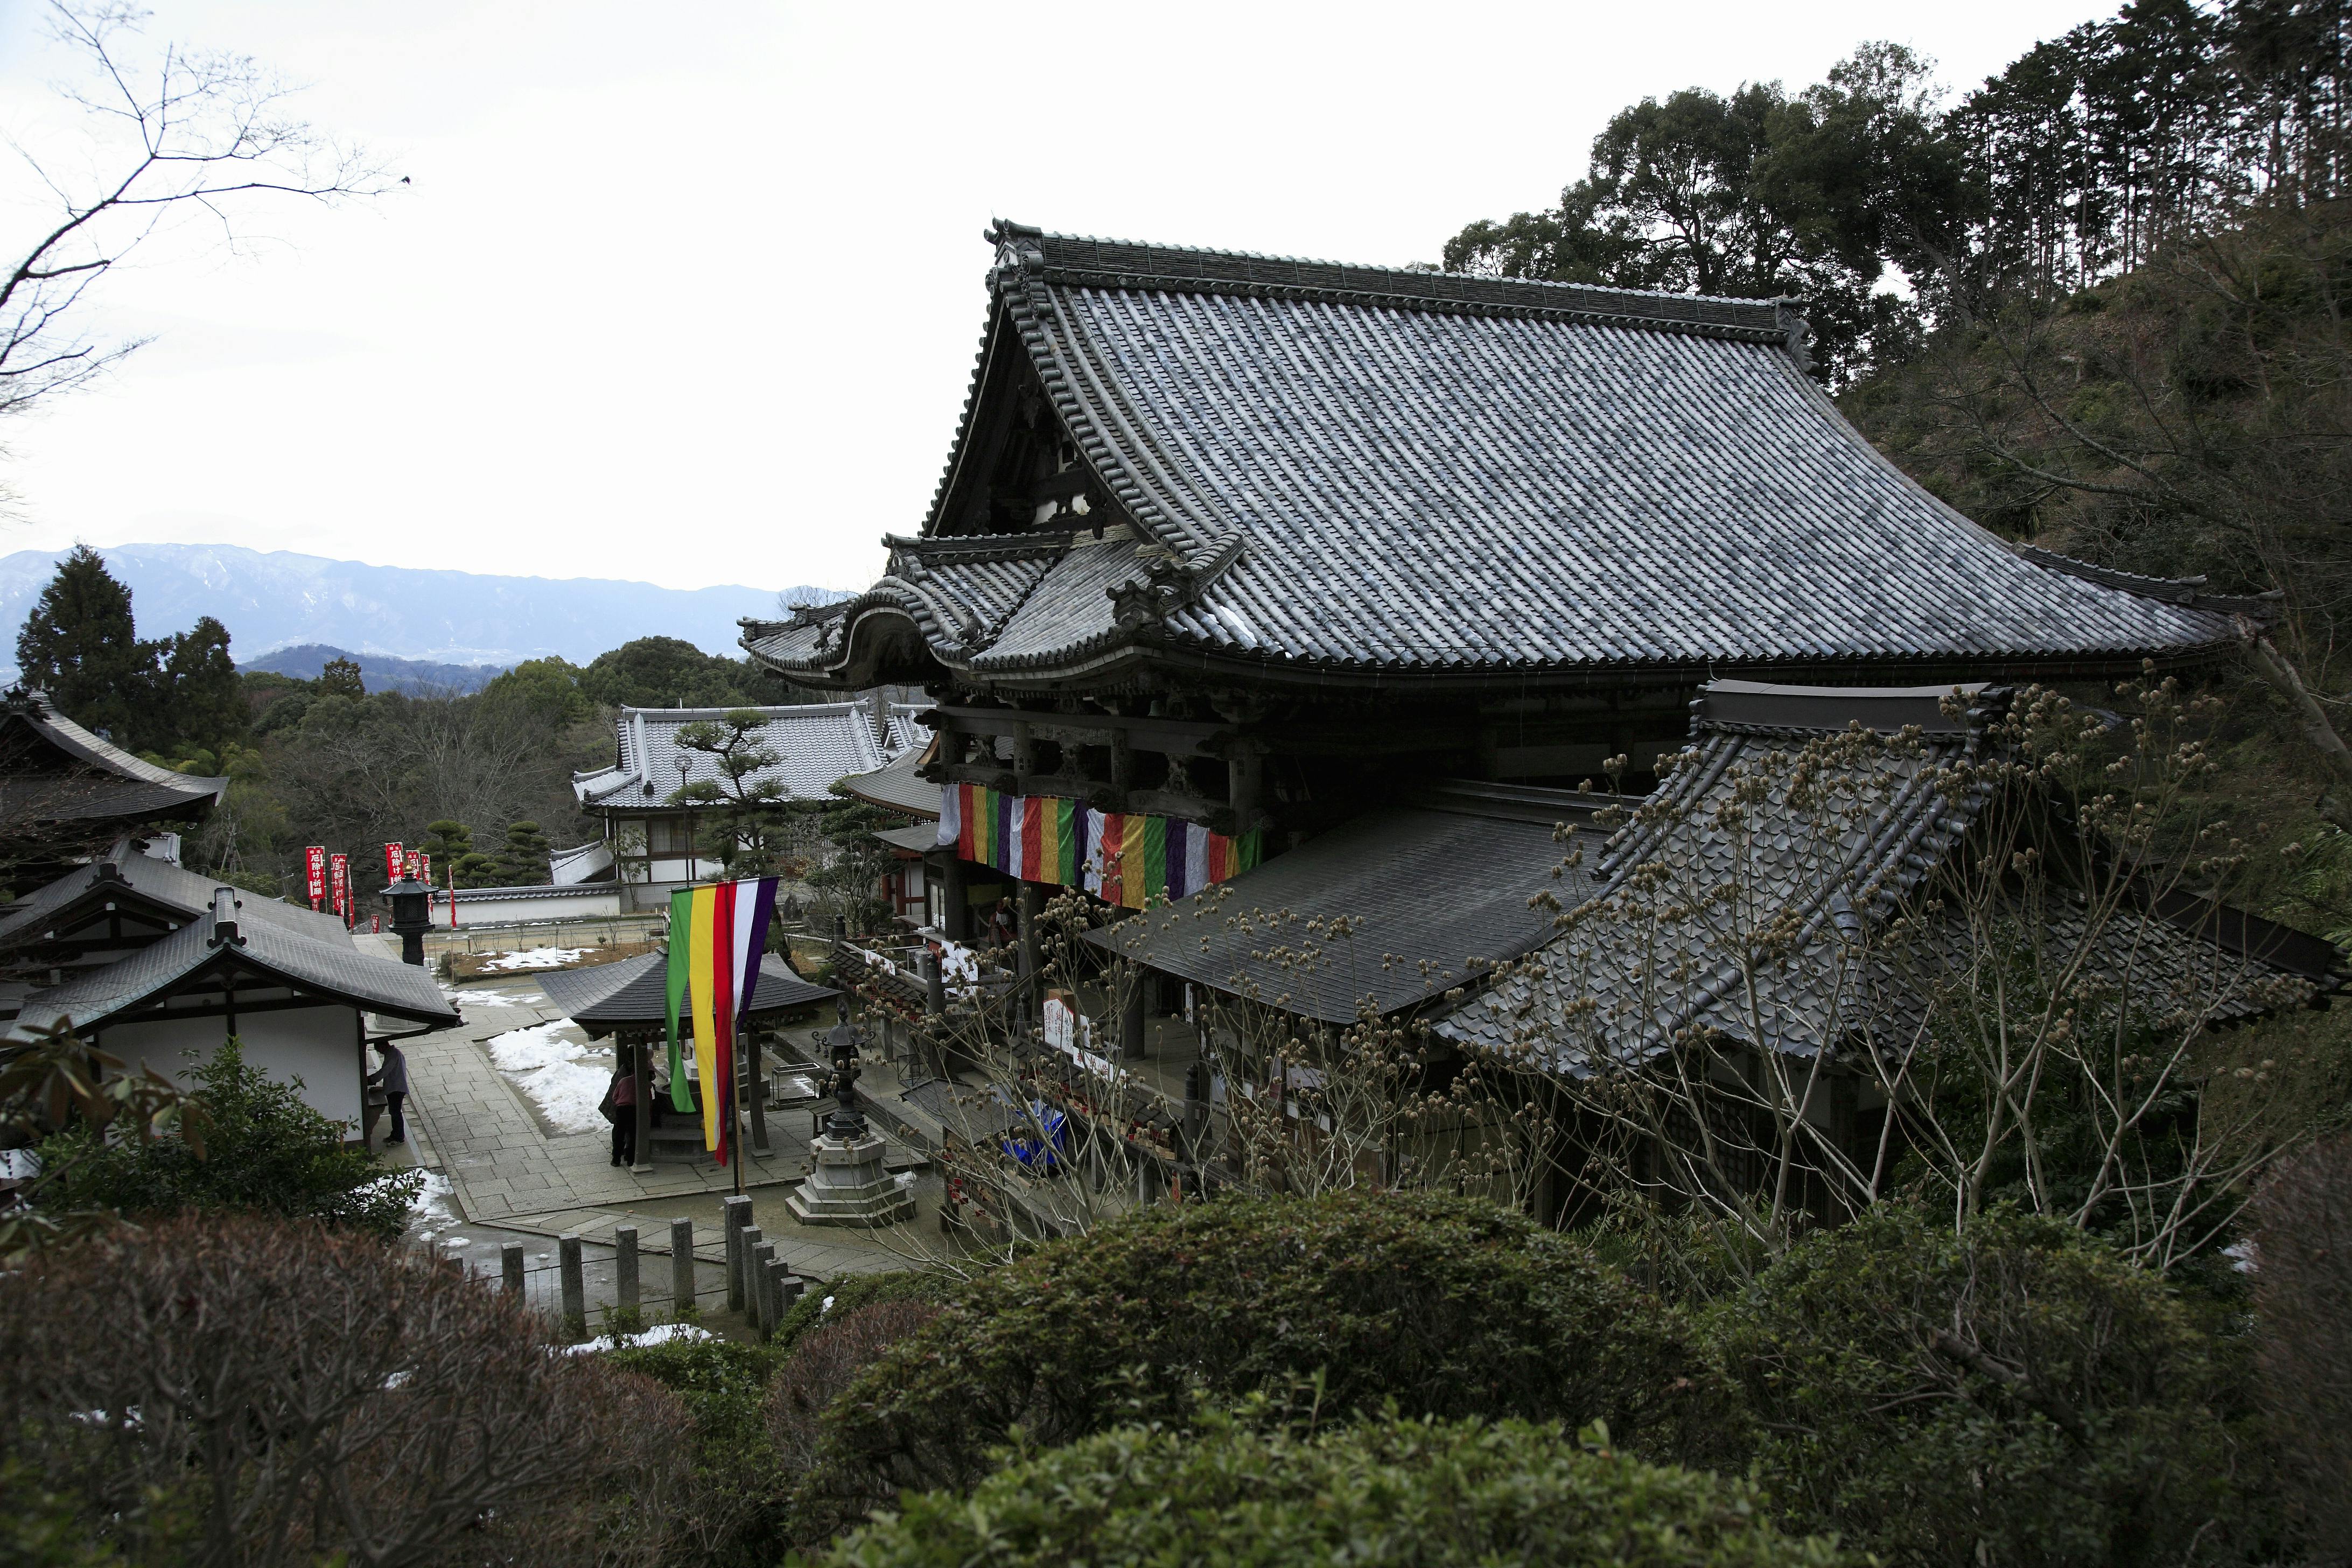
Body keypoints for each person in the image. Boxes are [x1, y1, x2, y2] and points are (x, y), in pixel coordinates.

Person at [368, 1040, 409, 1145]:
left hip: (396, 1089)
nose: (381, 1053)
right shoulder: (394, 1053)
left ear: (383, 1046)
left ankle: (399, 1137)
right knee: (394, 1112)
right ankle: (395, 1135)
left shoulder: (393, 1055)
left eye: (379, 1050)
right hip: (395, 1087)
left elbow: (385, 1071)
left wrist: (372, 1080)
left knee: (395, 1113)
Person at [602, 1060, 638, 1167]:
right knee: (632, 1134)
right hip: (633, 1108)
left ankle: (616, 1159)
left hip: (621, 1109)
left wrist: (620, 1103)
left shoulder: (623, 1081)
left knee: (619, 1133)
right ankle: (631, 1159)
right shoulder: (639, 1081)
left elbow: (615, 1096)